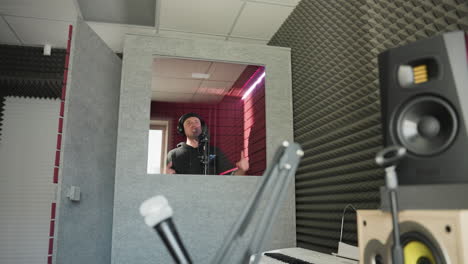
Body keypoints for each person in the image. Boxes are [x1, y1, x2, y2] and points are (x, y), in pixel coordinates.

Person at [165, 112, 249, 175]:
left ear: (202, 128)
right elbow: (170, 182)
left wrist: (242, 170)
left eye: (196, 122)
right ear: (182, 129)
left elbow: (230, 178)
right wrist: (168, 177)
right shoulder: (174, 154)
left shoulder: (214, 151)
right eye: (189, 123)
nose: (193, 124)